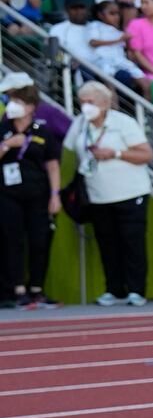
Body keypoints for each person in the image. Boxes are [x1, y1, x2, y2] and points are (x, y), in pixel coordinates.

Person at [67, 82, 153, 305]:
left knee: (132, 243)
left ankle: (137, 289)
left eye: (90, 102)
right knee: (107, 243)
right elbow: (69, 150)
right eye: (82, 102)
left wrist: (115, 153)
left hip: (130, 192)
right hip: (97, 195)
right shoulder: (80, 124)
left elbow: (146, 154)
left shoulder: (123, 122)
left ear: (104, 103)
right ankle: (114, 289)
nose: (86, 106)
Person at [0, 80, 63, 308]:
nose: (13, 106)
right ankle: (16, 288)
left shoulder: (43, 131)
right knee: (11, 240)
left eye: (18, 102)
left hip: (38, 193)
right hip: (7, 194)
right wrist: (7, 145)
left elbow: (53, 165)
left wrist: (55, 195)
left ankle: (37, 288)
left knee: (40, 240)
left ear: (30, 106)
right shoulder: (2, 128)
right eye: (11, 101)